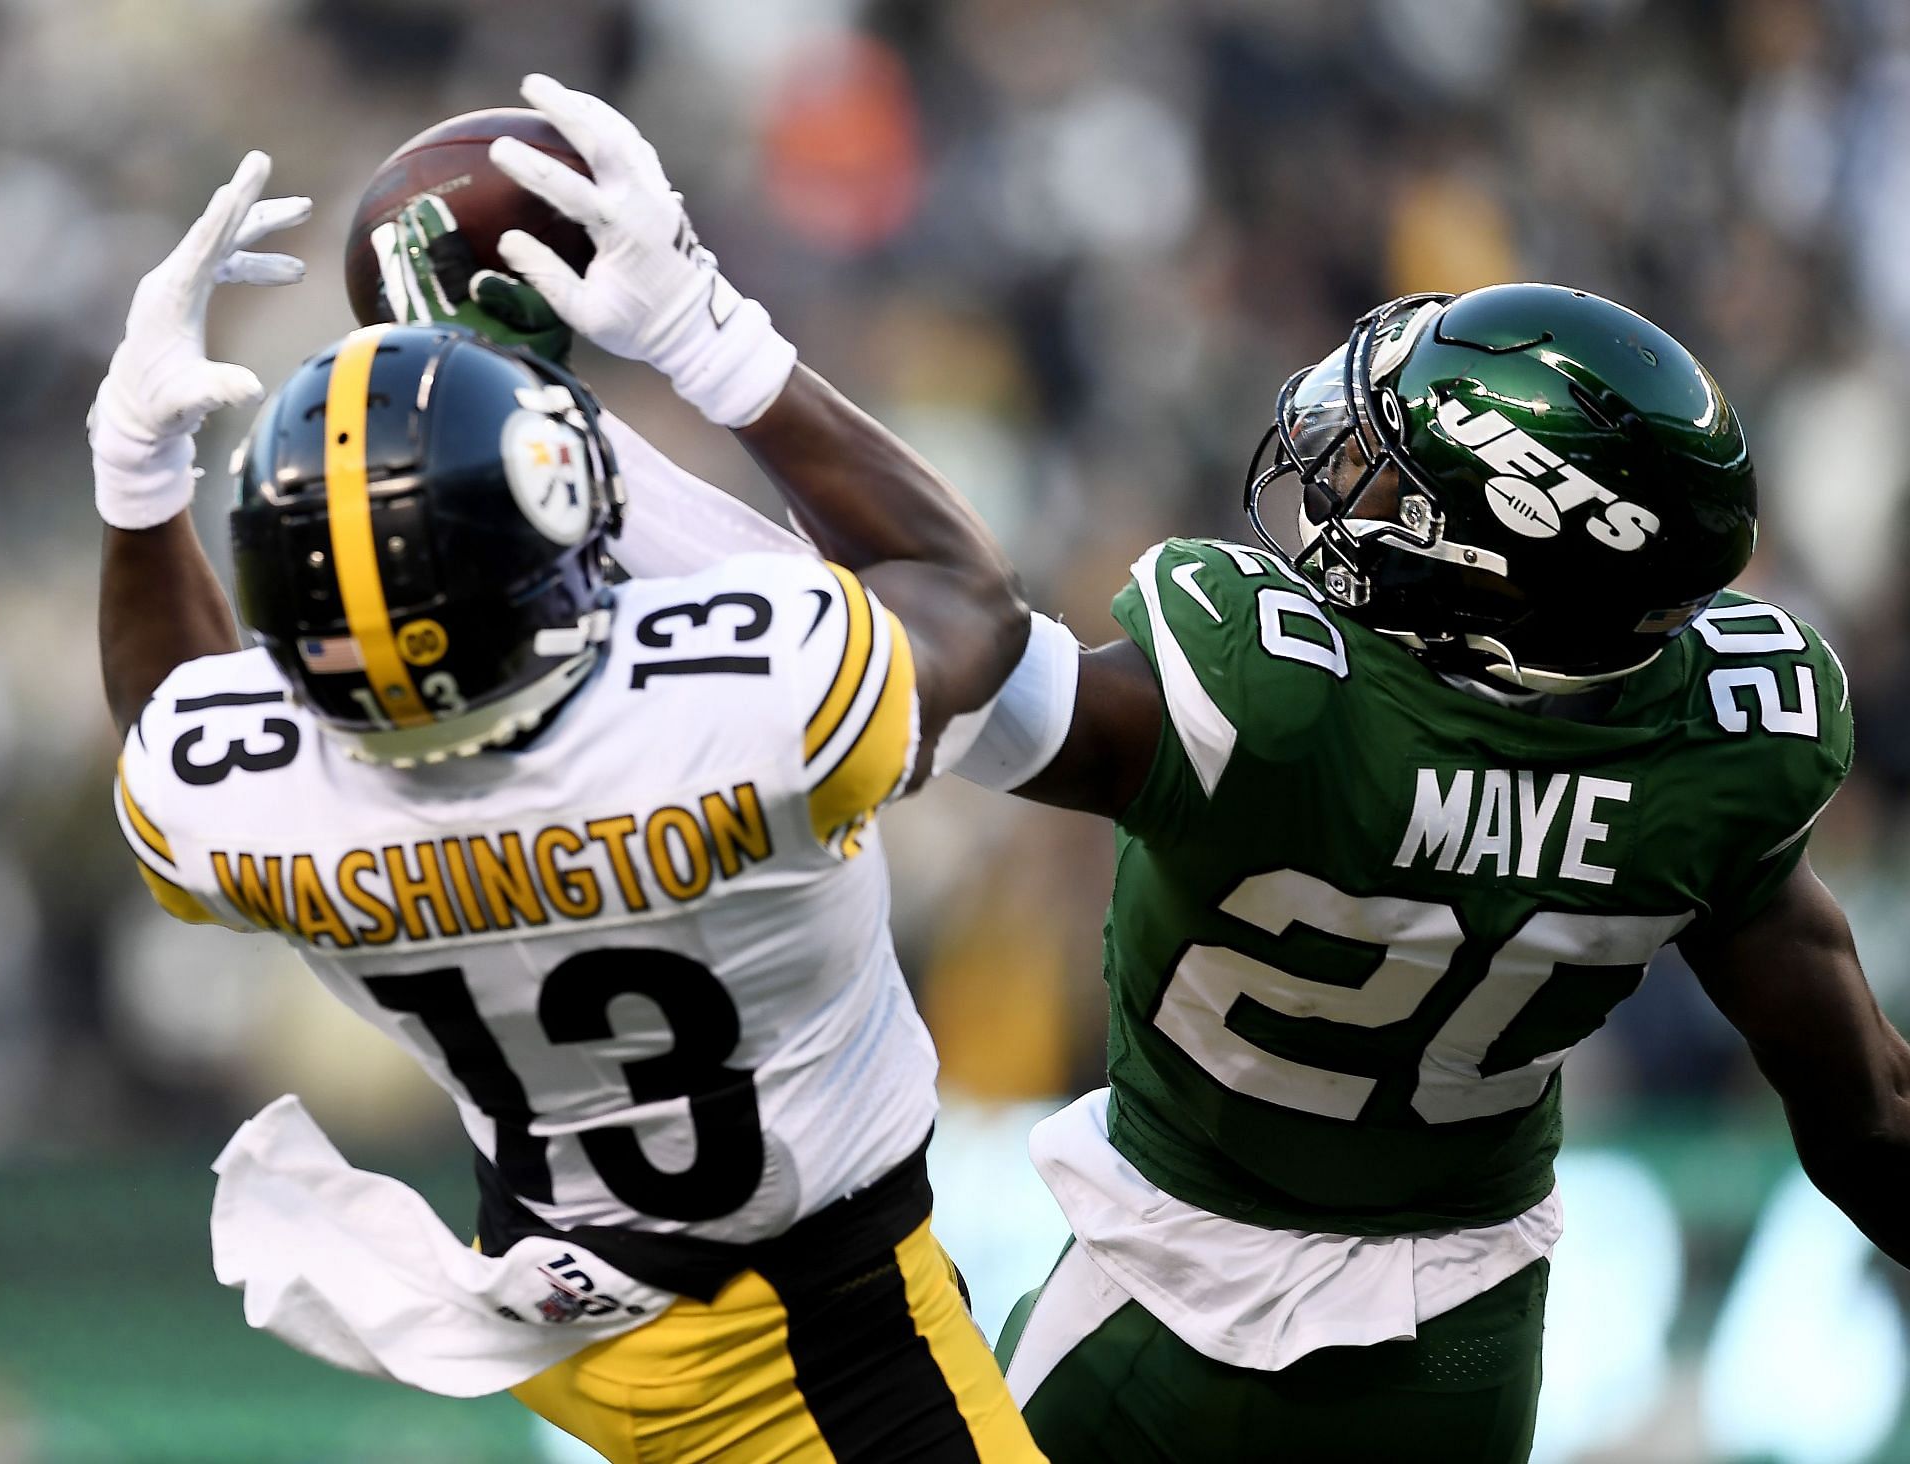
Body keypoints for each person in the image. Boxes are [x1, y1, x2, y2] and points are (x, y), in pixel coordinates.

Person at [477, 82, 1910, 1464]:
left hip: (1168, 1309)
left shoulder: (1273, 709)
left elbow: (939, 629)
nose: (1354, 477)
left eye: (1402, 478)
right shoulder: (1725, 750)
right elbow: (1868, 1119)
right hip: (1471, 1343)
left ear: (1505, 563)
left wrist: (686, 349)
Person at [93, 139, 1046, 1462]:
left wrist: (139, 482)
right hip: (807, 1332)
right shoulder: (755, 711)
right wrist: (710, 340)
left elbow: (174, 728)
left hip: (554, 1294)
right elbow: (963, 599)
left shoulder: (242, 799)